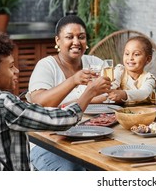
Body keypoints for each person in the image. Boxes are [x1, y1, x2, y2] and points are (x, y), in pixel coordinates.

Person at [0, 29, 111, 171]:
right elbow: (66, 119)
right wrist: (89, 92)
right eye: (11, 67)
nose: (17, 71)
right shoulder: (4, 104)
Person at [27, 15, 110, 170]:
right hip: (48, 144)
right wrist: (73, 81)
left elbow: (112, 93)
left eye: (81, 37)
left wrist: (71, 102)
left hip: (88, 135)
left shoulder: (96, 63)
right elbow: (38, 103)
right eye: (69, 37)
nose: (76, 42)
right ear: (58, 41)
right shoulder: (46, 66)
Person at [106, 36, 156, 105]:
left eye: (136, 54)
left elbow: (144, 93)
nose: (130, 58)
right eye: (127, 54)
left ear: (148, 59)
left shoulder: (149, 78)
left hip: (144, 114)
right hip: (121, 113)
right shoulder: (120, 70)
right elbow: (112, 85)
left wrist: (124, 94)